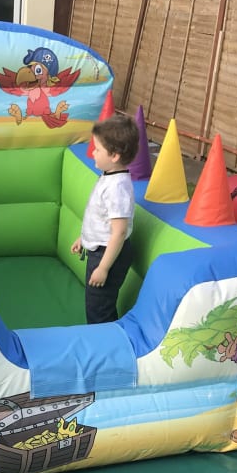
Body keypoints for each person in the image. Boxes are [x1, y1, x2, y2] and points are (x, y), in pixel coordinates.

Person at [70, 114, 139, 324]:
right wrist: (85, 238)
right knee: (95, 304)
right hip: (100, 249)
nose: (92, 152)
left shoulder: (117, 188)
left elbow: (118, 232)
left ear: (114, 155)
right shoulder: (109, 175)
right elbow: (101, 218)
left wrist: (103, 268)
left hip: (108, 255)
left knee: (99, 309)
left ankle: (105, 340)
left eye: (98, 149)